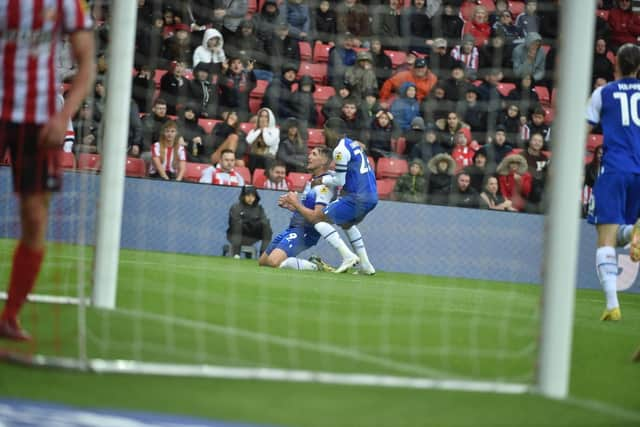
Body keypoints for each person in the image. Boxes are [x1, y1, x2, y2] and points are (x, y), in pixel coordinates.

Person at [0, 0, 94, 341]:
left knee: (35, 216)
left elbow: (87, 64)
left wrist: (63, 115)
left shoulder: (65, 4)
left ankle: (9, 316)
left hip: (39, 121)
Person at [280, 117, 377, 274]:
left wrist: (320, 180)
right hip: (371, 196)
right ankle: (366, 265)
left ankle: (348, 257)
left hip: (357, 196)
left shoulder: (340, 150)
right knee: (347, 224)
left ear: (332, 131)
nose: (324, 135)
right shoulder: (352, 144)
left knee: (318, 218)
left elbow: (339, 179)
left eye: (325, 132)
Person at [586, 43, 640, 321]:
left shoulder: (602, 93)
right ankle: (634, 233)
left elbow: (582, 130)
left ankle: (612, 305)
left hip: (615, 169)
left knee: (604, 238)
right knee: (621, 230)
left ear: (615, 64)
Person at [259, 147, 337, 270]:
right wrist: (292, 206)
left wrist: (296, 203)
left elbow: (317, 216)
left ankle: (315, 266)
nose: (309, 156)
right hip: (294, 227)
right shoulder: (311, 181)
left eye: (314, 154)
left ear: (323, 161)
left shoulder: (325, 186)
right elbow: (305, 209)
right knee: (263, 262)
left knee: (273, 262)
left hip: (305, 231)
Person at [227, 185, 273, 258]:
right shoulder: (236, 207)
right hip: (235, 235)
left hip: (252, 235)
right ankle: (236, 254)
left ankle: (263, 255)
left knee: (267, 228)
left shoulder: (259, 208)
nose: (250, 198)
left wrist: (254, 224)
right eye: (248, 195)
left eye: (253, 196)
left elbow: (264, 221)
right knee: (237, 225)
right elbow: (233, 223)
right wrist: (248, 222)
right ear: (243, 196)